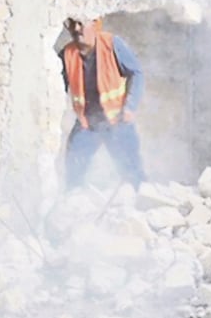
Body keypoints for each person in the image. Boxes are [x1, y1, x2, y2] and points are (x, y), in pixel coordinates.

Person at [58, 16, 146, 191]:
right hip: (87, 124)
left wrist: (130, 107)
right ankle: (73, 204)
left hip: (117, 121)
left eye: (81, 24)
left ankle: (140, 206)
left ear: (95, 24)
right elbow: (57, 87)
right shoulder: (67, 55)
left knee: (132, 172)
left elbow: (136, 72)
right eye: (71, 24)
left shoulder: (112, 44)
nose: (76, 29)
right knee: (74, 167)